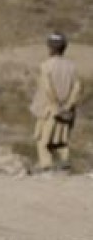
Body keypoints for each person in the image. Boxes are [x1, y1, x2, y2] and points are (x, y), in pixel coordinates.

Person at [30, 33, 82, 172]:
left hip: (50, 109)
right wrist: (68, 105)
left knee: (43, 141)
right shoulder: (72, 66)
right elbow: (77, 87)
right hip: (67, 111)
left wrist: (56, 104)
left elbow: (47, 88)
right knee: (62, 139)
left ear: (50, 48)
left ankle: (46, 165)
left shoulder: (46, 65)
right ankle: (64, 162)